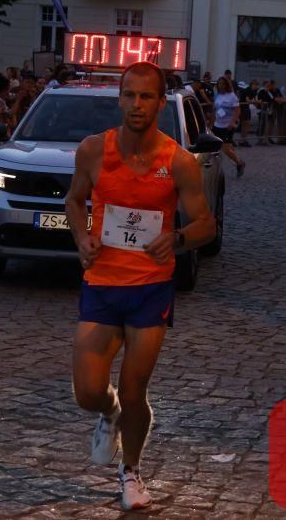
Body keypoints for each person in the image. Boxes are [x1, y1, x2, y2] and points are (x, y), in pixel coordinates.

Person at [64, 61, 216, 511]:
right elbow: (75, 200)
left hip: (151, 287)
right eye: (129, 95)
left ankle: (130, 471)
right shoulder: (93, 150)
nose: (136, 104)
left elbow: (206, 224)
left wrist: (178, 238)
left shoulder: (178, 161)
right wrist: (82, 237)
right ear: (120, 99)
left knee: (135, 390)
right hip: (102, 283)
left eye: (146, 96)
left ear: (160, 102)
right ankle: (108, 413)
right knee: (88, 392)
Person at [211, 77, 246, 177]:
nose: (221, 86)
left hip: (227, 126)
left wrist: (232, 122)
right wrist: (210, 123)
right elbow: (215, 110)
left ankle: (240, 163)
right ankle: (215, 168)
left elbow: (237, 110)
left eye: (223, 84)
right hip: (217, 124)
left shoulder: (232, 96)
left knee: (225, 149)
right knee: (217, 148)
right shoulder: (217, 95)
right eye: (219, 84)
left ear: (227, 85)